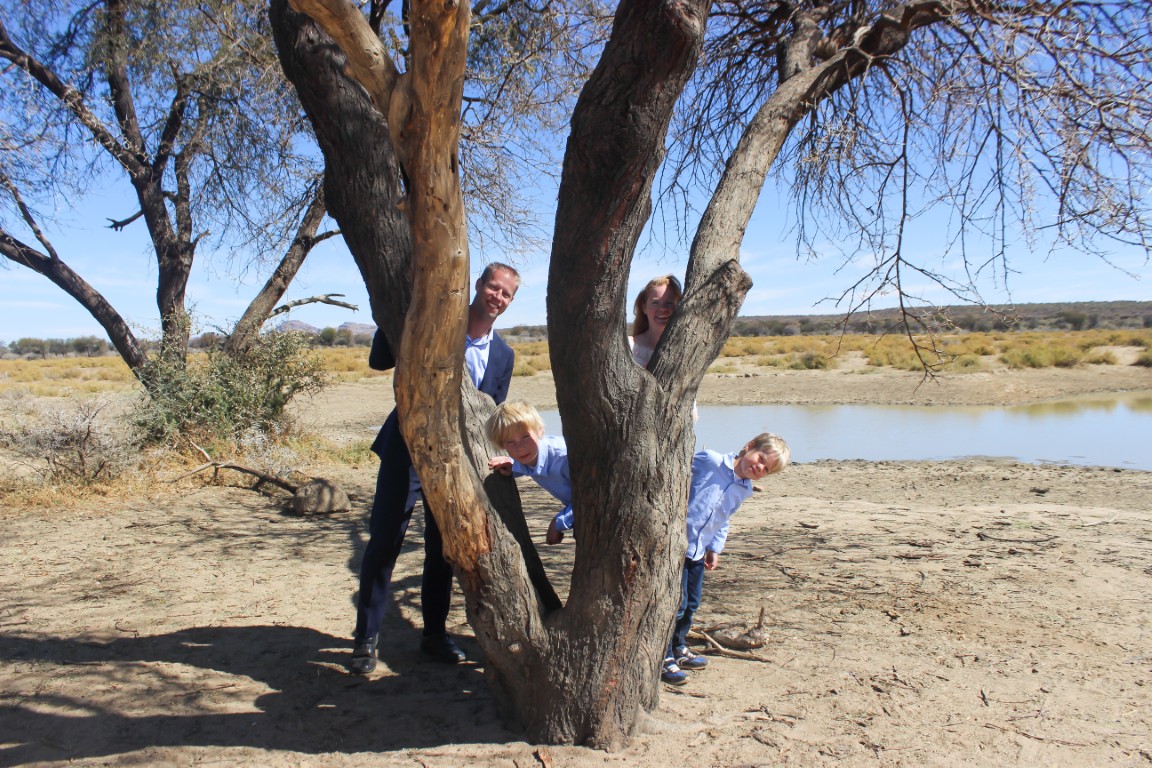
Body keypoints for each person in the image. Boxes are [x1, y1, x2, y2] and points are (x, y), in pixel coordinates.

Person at [350, 262, 520, 675]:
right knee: (385, 540)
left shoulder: (503, 355)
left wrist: (502, 456)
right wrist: (394, 314)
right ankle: (365, 639)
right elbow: (378, 361)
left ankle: (434, 635)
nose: (498, 297)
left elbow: (488, 416)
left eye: (507, 294)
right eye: (493, 288)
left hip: (455, 461)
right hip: (406, 448)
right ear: (477, 286)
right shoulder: (436, 322)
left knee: (442, 551)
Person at [661, 432, 791, 685]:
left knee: (691, 605)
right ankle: (663, 656)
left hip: (698, 551)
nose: (759, 467)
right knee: (676, 605)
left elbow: (723, 519)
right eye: (761, 458)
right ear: (749, 446)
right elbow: (676, 475)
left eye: (766, 469)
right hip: (675, 547)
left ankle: (679, 646)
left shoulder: (743, 490)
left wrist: (715, 548)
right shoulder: (710, 461)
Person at [484, 401, 573, 545]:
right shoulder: (531, 456)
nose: (520, 448)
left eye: (525, 437)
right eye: (510, 442)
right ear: (502, 445)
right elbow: (535, 465)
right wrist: (513, 467)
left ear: (539, 431)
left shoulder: (564, 458)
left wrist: (559, 523)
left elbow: (596, 496)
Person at [628, 274, 683, 367]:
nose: (662, 309)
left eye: (669, 303)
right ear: (644, 307)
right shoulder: (628, 346)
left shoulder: (684, 349)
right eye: (655, 303)